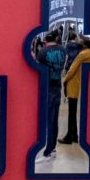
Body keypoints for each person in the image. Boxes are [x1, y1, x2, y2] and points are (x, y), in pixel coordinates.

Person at [35, 31, 66, 163]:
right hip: (57, 86)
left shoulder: (42, 52)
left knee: (48, 120)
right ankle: (53, 149)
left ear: (46, 40)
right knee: (54, 120)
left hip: (47, 87)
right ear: (56, 38)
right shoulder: (62, 50)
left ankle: (47, 151)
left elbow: (37, 68)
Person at [59, 39, 90, 144]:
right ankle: (74, 135)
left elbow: (72, 69)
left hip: (74, 85)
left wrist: (65, 79)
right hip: (83, 84)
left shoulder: (82, 54)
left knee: (72, 113)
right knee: (74, 112)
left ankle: (69, 137)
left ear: (85, 45)